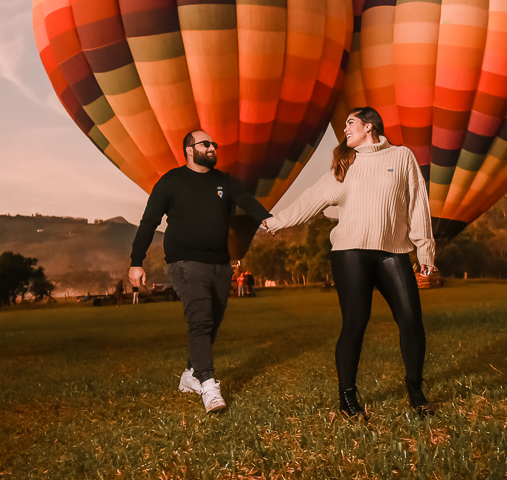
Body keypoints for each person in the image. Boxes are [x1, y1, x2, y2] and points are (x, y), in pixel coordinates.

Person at [261, 107, 436, 418]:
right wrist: (276, 222)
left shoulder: (401, 157)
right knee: (355, 323)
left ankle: (415, 389)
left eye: (350, 123)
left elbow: (418, 203)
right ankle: (347, 398)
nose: (344, 129)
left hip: (393, 252)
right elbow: (311, 198)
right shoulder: (346, 165)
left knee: (411, 320)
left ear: (370, 126)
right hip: (350, 254)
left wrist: (425, 251)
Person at [128, 129, 272, 413]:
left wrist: (266, 219)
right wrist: (136, 261)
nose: (213, 148)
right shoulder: (171, 181)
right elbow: (149, 222)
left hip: (220, 262)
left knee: (212, 322)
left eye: (214, 144)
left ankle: (189, 375)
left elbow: (246, 201)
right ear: (189, 150)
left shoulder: (224, 181)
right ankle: (208, 385)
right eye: (206, 144)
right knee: (200, 320)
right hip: (184, 261)